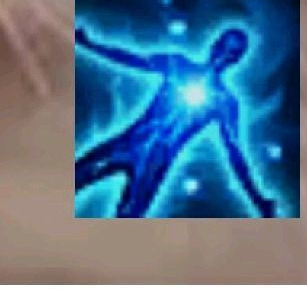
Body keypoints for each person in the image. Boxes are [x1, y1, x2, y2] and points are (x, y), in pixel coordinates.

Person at [75, 25, 277, 218]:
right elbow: (134, 59)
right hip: (125, 145)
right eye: (222, 46)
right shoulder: (179, 65)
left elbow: (235, 153)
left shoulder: (225, 102)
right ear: (214, 45)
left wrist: (257, 198)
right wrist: (91, 45)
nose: (222, 55)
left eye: (231, 53)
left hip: (153, 165)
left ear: (235, 60)